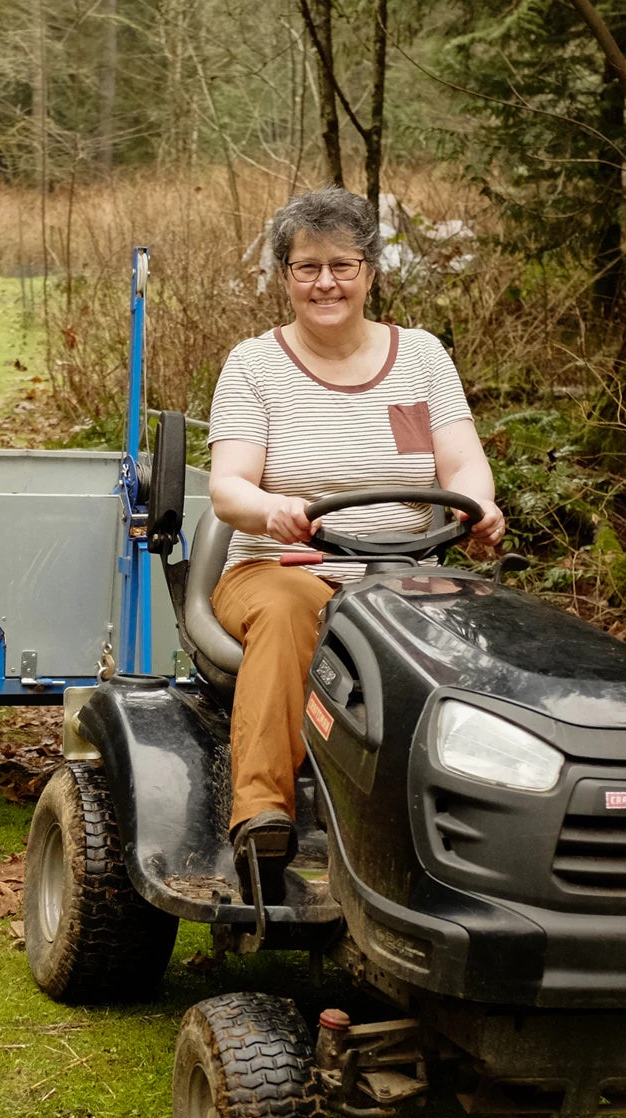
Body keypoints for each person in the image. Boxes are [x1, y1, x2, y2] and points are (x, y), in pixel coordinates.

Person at [207, 186, 504, 903]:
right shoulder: (254, 366)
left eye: (343, 265)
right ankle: (261, 815)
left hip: (405, 578)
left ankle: (484, 828)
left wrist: (483, 507)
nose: (326, 283)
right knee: (290, 610)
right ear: (284, 277)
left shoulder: (423, 358)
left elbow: (461, 465)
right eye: (307, 268)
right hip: (282, 568)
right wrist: (272, 508)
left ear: (371, 271)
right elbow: (229, 488)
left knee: (499, 633)